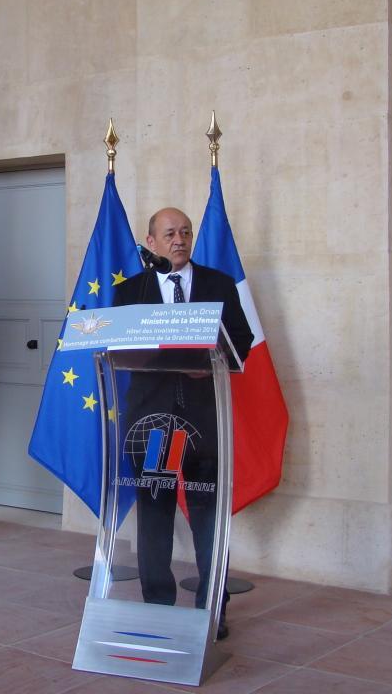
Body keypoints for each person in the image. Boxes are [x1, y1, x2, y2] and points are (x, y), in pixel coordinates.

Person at [114, 207, 253, 640]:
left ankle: (212, 607)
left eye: (186, 233)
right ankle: (158, 605)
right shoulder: (129, 292)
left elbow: (242, 341)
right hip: (154, 423)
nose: (179, 240)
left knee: (208, 514)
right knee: (154, 511)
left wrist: (213, 362)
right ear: (151, 242)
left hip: (203, 418)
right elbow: (117, 346)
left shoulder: (218, 285)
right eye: (170, 233)